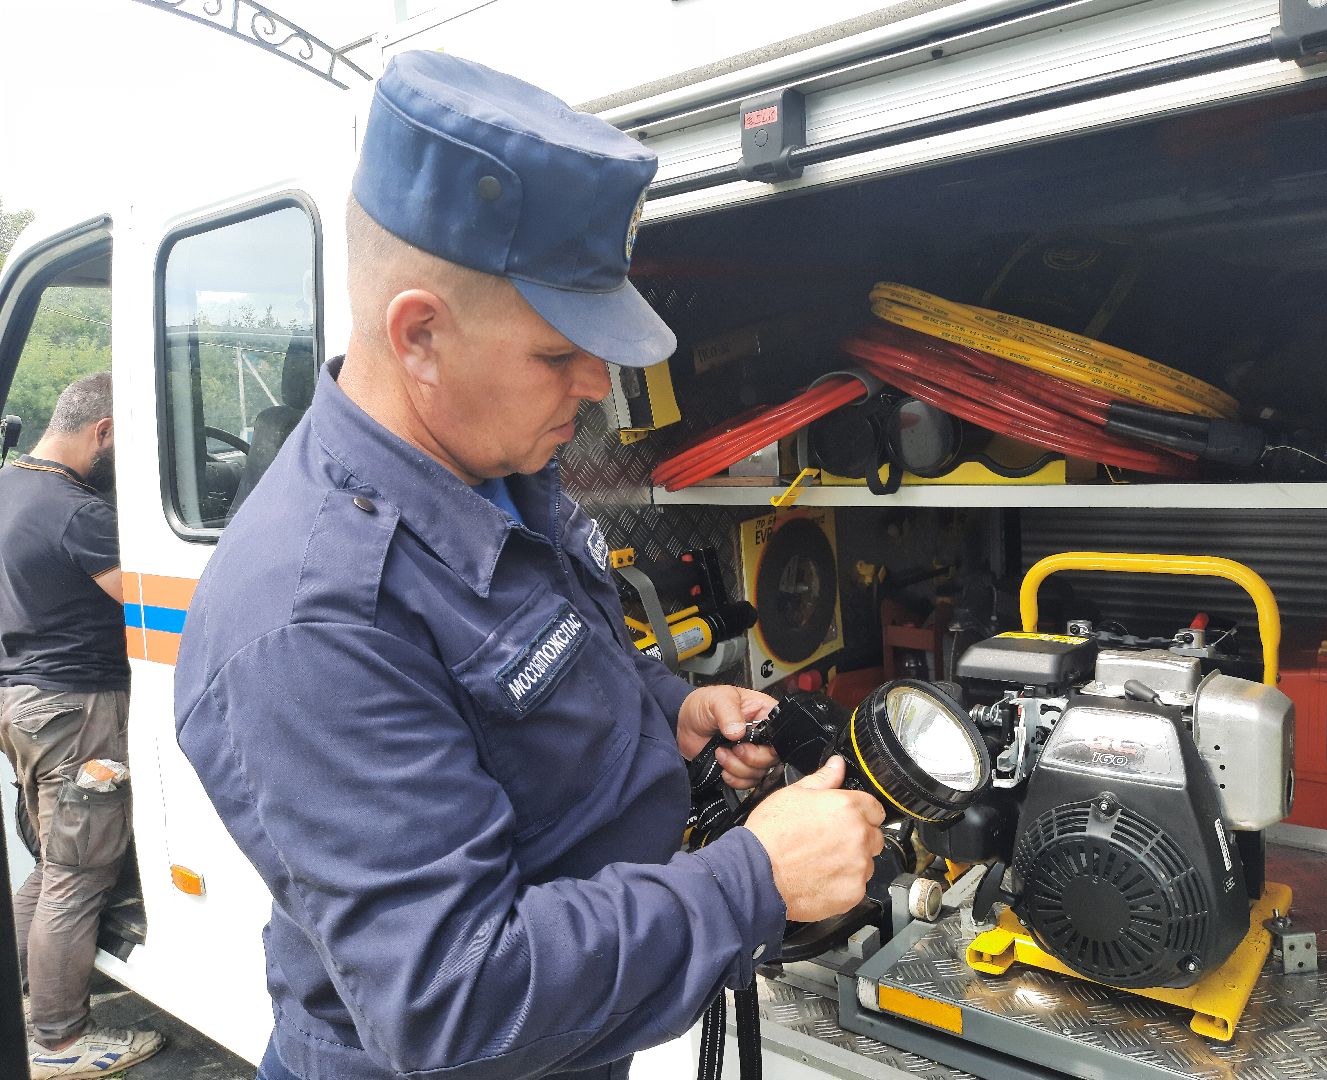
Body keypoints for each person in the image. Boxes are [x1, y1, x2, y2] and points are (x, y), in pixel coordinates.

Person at [173, 52, 885, 1080]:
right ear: (420, 334)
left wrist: (671, 714)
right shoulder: (313, 620)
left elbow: (539, 685)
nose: (596, 384)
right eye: (559, 353)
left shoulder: (496, 474)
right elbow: (453, 1003)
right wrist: (754, 880)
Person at [0, 372, 166, 1078]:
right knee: (79, 876)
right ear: (104, 431)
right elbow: (157, 604)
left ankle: (22, 1006)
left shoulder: (8, 488)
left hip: (22, 704)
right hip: (78, 712)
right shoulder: (78, 513)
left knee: (54, 865)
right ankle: (60, 1042)